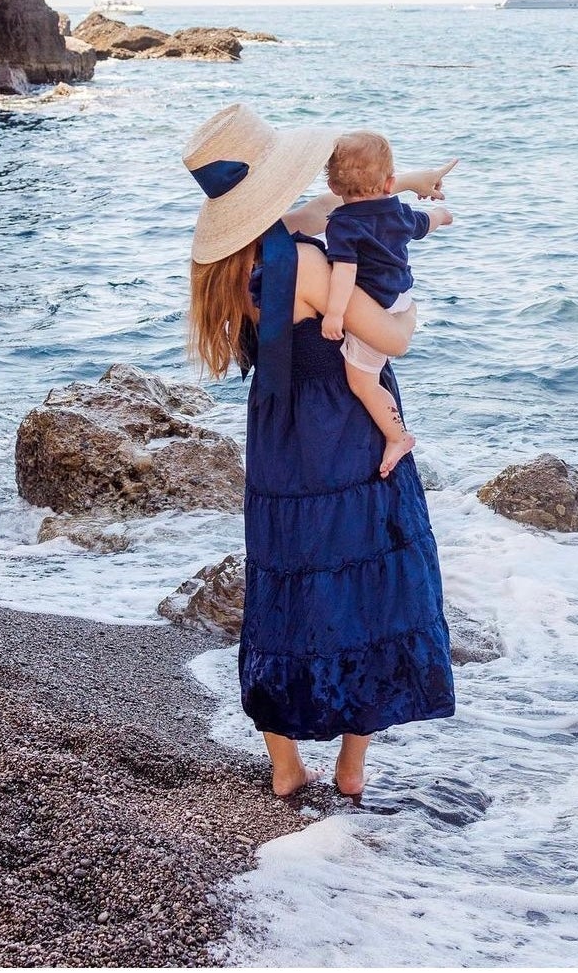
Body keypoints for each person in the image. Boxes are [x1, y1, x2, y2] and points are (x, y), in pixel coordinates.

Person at [185, 102, 456, 799]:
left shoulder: (230, 266)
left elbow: (328, 204)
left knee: (284, 586)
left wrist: (408, 181)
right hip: (343, 434)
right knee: (368, 583)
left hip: (279, 438)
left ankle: (284, 765)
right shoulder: (307, 260)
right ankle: (352, 766)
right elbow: (390, 341)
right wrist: (412, 309)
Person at [321, 132, 454, 478]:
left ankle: (397, 436)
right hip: (401, 295)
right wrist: (442, 214)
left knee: (362, 382)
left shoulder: (342, 224)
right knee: (371, 372)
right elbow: (427, 223)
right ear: (391, 182)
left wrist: (335, 314)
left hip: (377, 308)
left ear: (334, 188)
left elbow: (345, 273)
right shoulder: (399, 211)